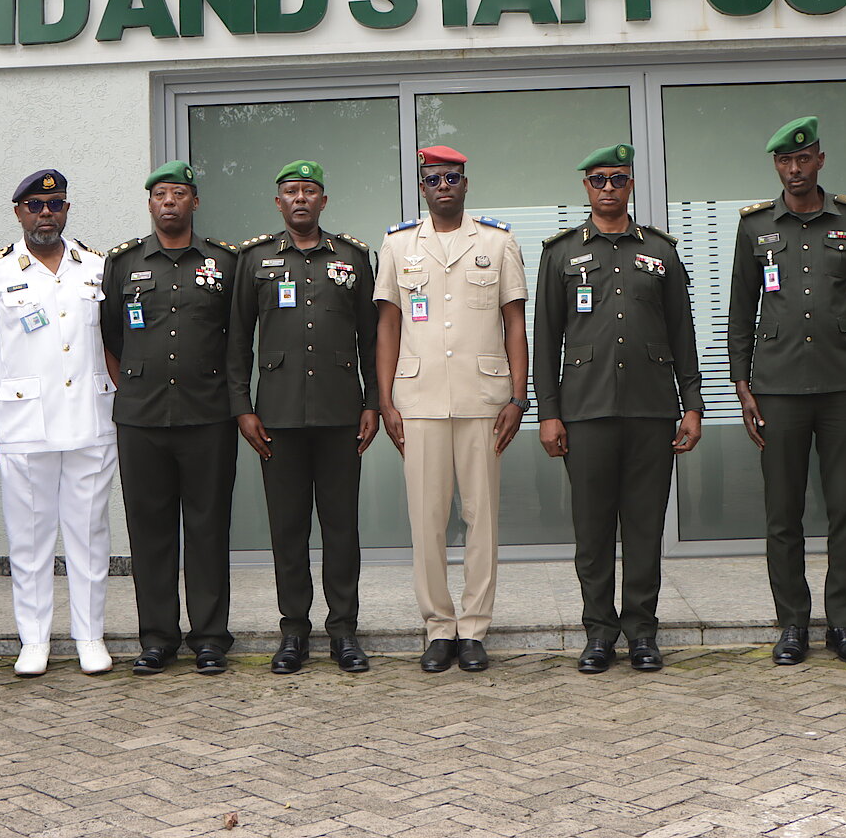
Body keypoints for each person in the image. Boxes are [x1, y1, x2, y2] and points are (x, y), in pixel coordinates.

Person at [534, 144, 703, 675]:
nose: (608, 187)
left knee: (645, 528)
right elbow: (546, 339)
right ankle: (599, 634)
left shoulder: (661, 251)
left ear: (631, 185)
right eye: (599, 179)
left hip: (652, 409)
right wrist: (548, 413)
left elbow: (682, 332)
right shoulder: (561, 253)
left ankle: (642, 633)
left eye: (618, 178)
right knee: (593, 531)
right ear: (586, 186)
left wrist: (693, 405)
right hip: (585, 411)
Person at [727, 117, 846, 667]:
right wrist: (743, 386)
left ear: (820, 159)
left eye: (803, 159)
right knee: (783, 514)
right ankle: (793, 623)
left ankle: (843, 624)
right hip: (777, 388)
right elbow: (741, 312)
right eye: (784, 161)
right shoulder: (755, 226)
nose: (794, 169)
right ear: (776, 166)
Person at [374, 144, 527, 674]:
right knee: (427, 519)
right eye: (434, 179)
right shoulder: (398, 244)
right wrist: (385, 399)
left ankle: (475, 628)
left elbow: (514, 322)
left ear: (466, 184)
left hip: (484, 398)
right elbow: (389, 324)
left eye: (452, 178)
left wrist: (518, 396)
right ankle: (439, 628)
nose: (443, 187)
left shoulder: (498, 241)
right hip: (418, 400)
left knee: (481, 518)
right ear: (422, 187)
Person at [0, 169, 117, 678]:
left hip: (91, 419)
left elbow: (114, 344)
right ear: (18, 213)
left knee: (89, 536)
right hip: (24, 424)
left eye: (54, 204)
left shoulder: (96, 266)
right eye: (35, 206)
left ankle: (90, 637)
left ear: (67, 209)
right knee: (29, 540)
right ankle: (34, 640)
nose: (45, 214)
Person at [229, 161, 379, 675]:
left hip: (340, 415)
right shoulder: (254, 260)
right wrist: (243, 408)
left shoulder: (352, 257)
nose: (300, 199)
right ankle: (293, 631)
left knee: (342, 529)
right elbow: (237, 342)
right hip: (278, 418)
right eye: (291, 191)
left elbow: (370, 339)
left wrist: (372, 402)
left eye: (309, 191)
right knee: (288, 529)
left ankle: (344, 631)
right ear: (278, 202)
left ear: (323, 201)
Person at [100, 162, 239, 676]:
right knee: (150, 532)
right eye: (160, 194)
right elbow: (110, 336)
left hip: (209, 415)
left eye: (179, 194)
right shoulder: (123, 262)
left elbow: (237, 338)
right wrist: (137, 384)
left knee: (208, 529)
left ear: (194, 202)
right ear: (150, 203)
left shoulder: (224, 262)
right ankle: (157, 638)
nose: (169, 203)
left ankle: (210, 638)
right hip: (142, 418)